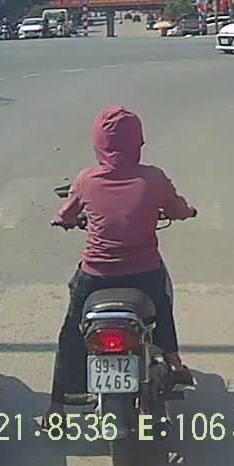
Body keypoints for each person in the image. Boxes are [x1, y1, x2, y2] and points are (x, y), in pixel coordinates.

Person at [45, 106, 196, 419]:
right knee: (162, 308)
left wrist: (63, 221)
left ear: (98, 143)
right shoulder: (153, 178)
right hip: (144, 273)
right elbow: (178, 209)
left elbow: (65, 215)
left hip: (95, 275)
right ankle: (174, 361)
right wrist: (187, 212)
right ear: (138, 142)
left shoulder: (85, 180)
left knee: (71, 331)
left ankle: (56, 406)